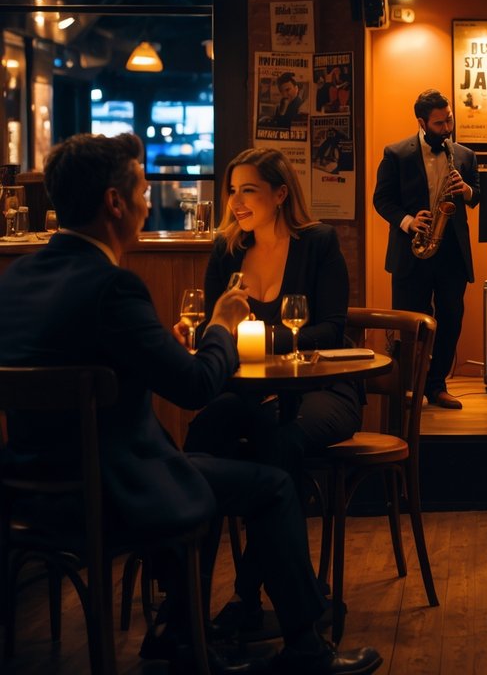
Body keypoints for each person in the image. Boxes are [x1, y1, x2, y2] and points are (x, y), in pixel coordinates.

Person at [0, 133, 381, 675]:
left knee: (219, 444)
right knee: (267, 483)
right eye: (140, 191)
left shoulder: (16, 281)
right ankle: (303, 649)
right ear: (115, 203)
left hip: (29, 495)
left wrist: (186, 344)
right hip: (116, 489)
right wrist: (223, 325)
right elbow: (198, 385)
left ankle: (184, 632)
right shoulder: (114, 287)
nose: (146, 203)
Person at [182, 147, 363, 636]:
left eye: (249, 190)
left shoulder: (319, 242)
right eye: (233, 190)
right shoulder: (227, 249)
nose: (237, 201)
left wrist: (256, 338)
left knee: (278, 439)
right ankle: (185, 612)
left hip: (323, 388)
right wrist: (203, 337)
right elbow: (212, 331)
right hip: (250, 391)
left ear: (280, 194)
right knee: (204, 430)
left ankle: (247, 595)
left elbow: (330, 329)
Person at [373, 88, 480, 409]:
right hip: (412, 251)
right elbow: (382, 200)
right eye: (439, 124)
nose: (447, 128)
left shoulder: (464, 155)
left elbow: (478, 196)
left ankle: (437, 385)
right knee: (412, 323)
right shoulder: (396, 154)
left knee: (451, 319)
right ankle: (410, 386)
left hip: (451, 253)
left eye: (449, 120)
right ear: (421, 122)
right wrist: (408, 221)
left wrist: (467, 191)